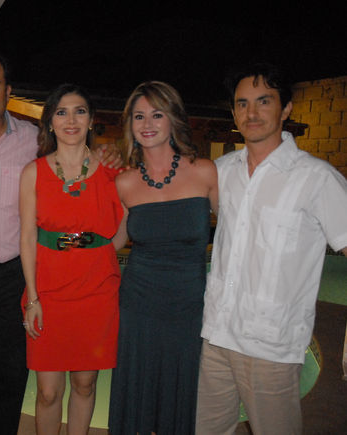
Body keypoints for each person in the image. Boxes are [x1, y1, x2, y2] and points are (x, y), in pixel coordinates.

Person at [0, 48, 122, 434]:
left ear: (8, 91)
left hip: (12, 277)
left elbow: (74, 161)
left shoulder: (33, 140)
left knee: (9, 376)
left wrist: (107, 152)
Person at [196, 63, 347, 435]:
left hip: (272, 347)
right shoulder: (221, 171)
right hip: (216, 336)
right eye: (242, 103)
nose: (251, 113)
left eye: (263, 101)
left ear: (286, 109)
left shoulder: (316, 178)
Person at [108, 81, 218, 435]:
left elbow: (237, 235)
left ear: (173, 118)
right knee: (137, 394)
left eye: (157, 114)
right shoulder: (124, 183)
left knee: (182, 396)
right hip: (138, 307)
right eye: (138, 116)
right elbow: (111, 243)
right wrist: (60, 242)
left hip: (189, 307)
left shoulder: (205, 172)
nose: (147, 123)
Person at [19, 83, 127, 434]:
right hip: (48, 292)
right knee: (48, 392)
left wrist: (95, 251)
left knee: (85, 384)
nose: (70, 120)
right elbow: (27, 237)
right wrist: (32, 298)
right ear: (50, 122)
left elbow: (123, 230)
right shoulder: (33, 172)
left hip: (96, 292)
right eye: (61, 112)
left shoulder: (112, 171)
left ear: (91, 120)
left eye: (79, 111)